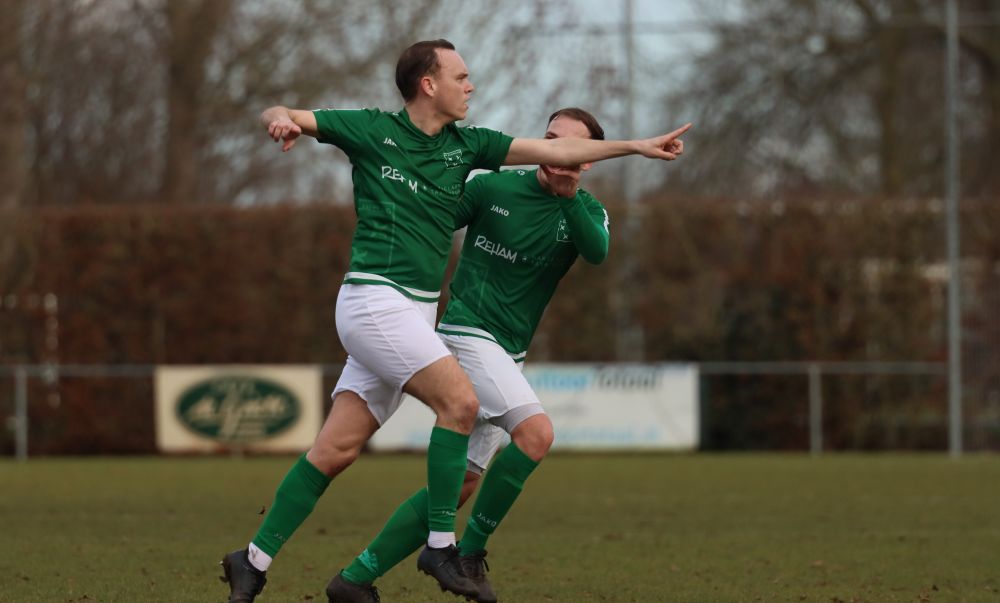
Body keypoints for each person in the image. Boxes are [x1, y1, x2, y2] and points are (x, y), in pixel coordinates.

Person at [222, 38, 690, 603]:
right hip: (375, 300)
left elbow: (563, 163)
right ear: (429, 84)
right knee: (461, 404)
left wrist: (640, 146)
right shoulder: (372, 130)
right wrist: (281, 124)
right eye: (461, 76)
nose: (471, 86)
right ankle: (444, 547)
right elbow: (283, 111)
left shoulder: (470, 146)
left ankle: (252, 560)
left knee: (336, 449)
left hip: (415, 314)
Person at [325, 107, 640, 603]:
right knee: (536, 435)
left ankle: (355, 578)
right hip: (465, 332)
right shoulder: (493, 187)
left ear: (588, 161)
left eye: (571, 150)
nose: (557, 154)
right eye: (550, 140)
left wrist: (570, 198)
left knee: (462, 487)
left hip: (509, 352)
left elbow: (597, 251)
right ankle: (466, 553)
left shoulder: (586, 209)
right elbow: (429, 220)